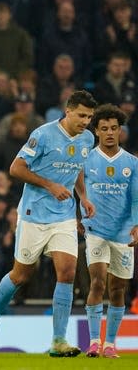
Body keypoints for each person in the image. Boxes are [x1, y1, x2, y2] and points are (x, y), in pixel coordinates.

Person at [0, 90, 98, 357]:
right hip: (34, 213)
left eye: (89, 117)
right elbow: (15, 168)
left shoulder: (88, 138)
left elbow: (77, 167)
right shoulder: (43, 134)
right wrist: (50, 185)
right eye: (81, 115)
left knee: (66, 271)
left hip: (64, 215)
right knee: (22, 275)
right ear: (68, 111)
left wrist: (83, 197)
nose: (85, 121)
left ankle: (58, 340)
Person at [81, 104, 138, 358]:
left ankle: (110, 344)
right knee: (97, 281)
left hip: (123, 234)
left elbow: (136, 199)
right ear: (96, 131)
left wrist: (136, 225)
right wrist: (77, 213)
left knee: (117, 289)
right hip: (96, 230)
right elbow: (76, 188)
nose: (110, 133)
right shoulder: (86, 159)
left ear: (120, 131)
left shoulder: (132, 163)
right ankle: (94, 341)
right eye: (104, 129)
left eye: (114, 128)